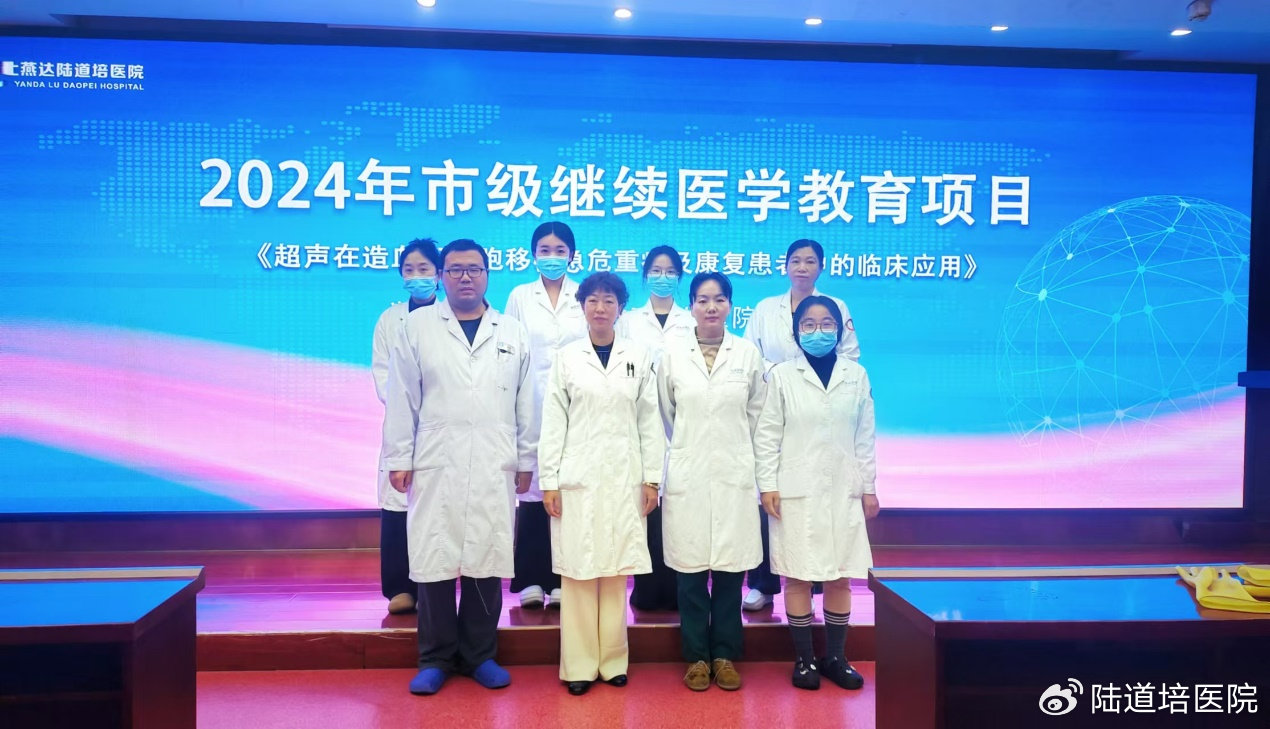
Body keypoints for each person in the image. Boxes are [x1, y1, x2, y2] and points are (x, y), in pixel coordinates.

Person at [382, 239, 537, 696]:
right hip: (436, 459)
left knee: (486, 555)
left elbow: (526, 402)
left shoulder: (512, 331)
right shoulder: (417, 328)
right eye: (454, 269)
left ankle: (480, 655)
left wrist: (527, 458)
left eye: (474, 268)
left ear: (488, 274)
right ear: (442, 276)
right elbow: (402, 397)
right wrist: (399, 457)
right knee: (434, 555)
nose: (465, 277)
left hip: (494, 459)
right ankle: (434, 658)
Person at [539, 272, 665, 696]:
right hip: (577, 477)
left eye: (608, 300)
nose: (600, 308)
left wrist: (652, 478)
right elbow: (554, 421)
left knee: (615, 569)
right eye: (592, 300)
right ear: (582, 306)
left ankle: (612, 662)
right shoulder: (567, 358)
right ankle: (578, 665)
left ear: (621, 308)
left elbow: (649, 421)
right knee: (577, 572)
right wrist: (550, 480)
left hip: (625, 477)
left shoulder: (638, 356)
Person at [753, 295, 880, 692]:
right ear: (796, 332)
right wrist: (768, 485)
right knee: (798, 576)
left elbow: (865, 437)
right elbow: (767, 435)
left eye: (827, 324)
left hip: (844, 488)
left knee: (841, 576)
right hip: (795, 490)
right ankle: (805, 658)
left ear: (840, 330)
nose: (818, 331)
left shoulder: (856, 375)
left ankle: (836, 657)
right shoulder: (782, 376)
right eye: (808, 325)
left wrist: (869, 488)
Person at [657, 272, 765, 692]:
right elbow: (666, 414)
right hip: (689, 470)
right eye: (702, 300)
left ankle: (724, 655)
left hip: (733, 471)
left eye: (719, 299)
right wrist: (691, 448)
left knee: (729, 573)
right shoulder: (672, 354)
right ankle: (696, 658)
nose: (711, 307)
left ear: (731, 305)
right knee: (690, 573)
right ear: (691, 306)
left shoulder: (747, 354)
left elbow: (756, 414)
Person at [741, 238, 861, 611]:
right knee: (770, 495)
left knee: (818, 500)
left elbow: (850, 354)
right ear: (786, 266)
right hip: (772, 406)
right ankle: (763, 585)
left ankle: (814, 580)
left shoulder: (836, 307)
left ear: (821, 267)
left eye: (810, 261)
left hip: (819, 414)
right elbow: (749, 356)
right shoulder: (765, 309)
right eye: (796, 261)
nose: (802, 267)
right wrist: (781, 375)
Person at [505, 221, 587, 610]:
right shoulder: (520, 296)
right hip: (532, 404)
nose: (552, 257)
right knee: (533, 492)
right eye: (544, 250)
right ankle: (530, 579)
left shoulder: (584, 295)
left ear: (572, 255)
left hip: (576, 406)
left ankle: (561, 578)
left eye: (559, 250)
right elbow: (510, 350)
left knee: (567, 490)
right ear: (533, 254)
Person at [619, 245, 692, 613]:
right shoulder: (629, 320)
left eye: (670, 271)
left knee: (678, 507)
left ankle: (678, 588)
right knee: (645, 505)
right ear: (645, 274)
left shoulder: (690, 321)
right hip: (639, 419)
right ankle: (646, 589)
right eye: (656, 270)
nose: (663, 277)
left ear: (679, 276)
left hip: (684, 422)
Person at [372, 238, 442, 615]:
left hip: (443, 427)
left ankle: (434, 585)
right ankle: (401, 587)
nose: (417, 276)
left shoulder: (450, 317)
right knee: (398, 504)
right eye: (409, 270)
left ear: (439, 274)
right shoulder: (390, 319)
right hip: (403, 425)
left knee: (436, 510)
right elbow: (384, 375)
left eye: (424, 269)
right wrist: (410, 408)